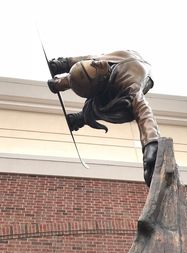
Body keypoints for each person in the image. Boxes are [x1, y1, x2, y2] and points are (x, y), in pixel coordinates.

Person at [47, 50, 160, 187]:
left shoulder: (130, 85)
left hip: (136, 67)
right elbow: (79, 76)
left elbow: (144, 113)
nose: (99, 64)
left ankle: (82, 117)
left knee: (116, 106)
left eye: (95, 65)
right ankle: (82, 115)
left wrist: (151, 144)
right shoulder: (97, 72)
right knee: (96, 93)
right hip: (116, 74)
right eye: (95, 67)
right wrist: (58, 81)